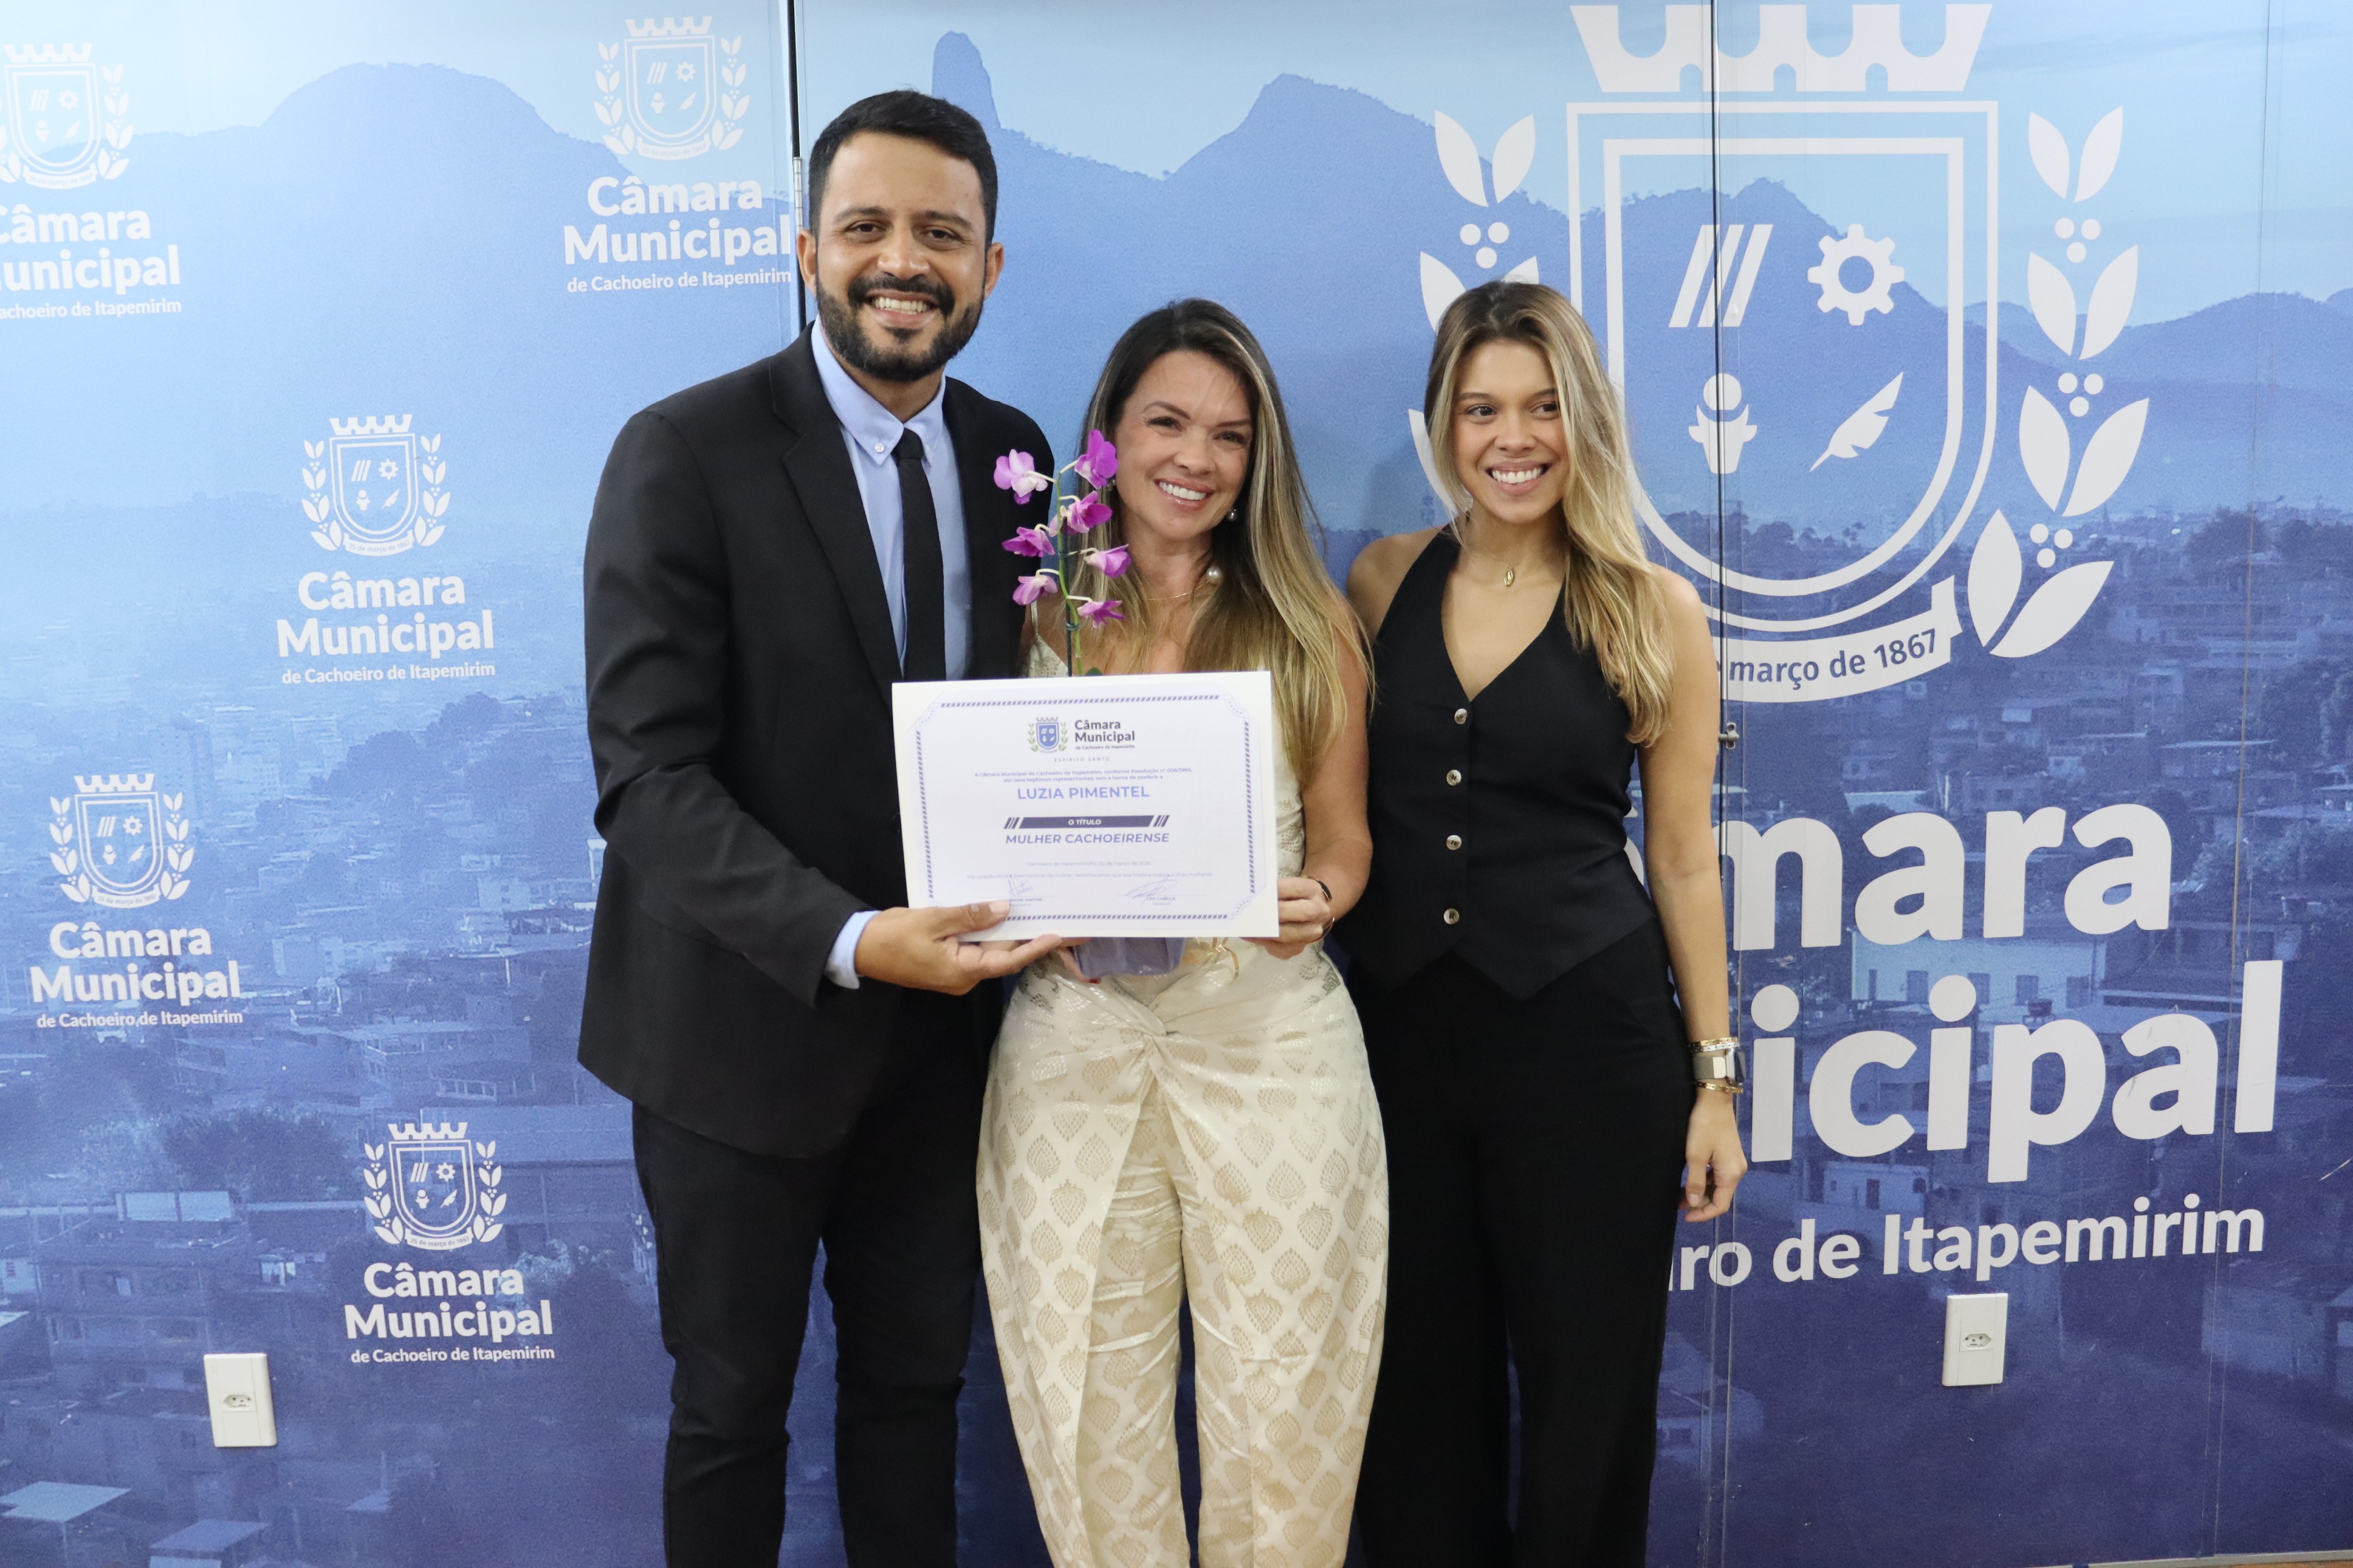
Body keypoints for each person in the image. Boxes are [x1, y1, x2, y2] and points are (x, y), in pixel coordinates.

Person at [579, 90, 1063, 1567]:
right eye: (866, 227)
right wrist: (851, 939)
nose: (902, 261)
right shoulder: (683, 451)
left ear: (989, 266)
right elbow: (646, 777)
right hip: (739, 1038)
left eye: (941, 233)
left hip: (946, 1050)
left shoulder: (1017, 456)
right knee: (730, 1413)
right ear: (806, 251)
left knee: (915, 1398)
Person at [1340, 279, 1745, 1566]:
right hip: (1401, 1055)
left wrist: (1715, 1082)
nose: (1511, 438)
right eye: (1480, 409)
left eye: (1541, 406)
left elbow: (1680, 859)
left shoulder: (1652, 608)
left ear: (1585, 420)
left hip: (1591, 1053)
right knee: (1416, 1398)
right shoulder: (1382, 580)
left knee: (1589, 1403)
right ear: (1442, 426)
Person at [977, 299, 1387, 1568]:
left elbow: (1345, 839)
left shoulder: (1305, 623)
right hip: (1074, 1052)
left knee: (1285, 1421)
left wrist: (1322, 898)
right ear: (1108, 434)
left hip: (1268, 1048)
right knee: (1086, 1411)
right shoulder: (1036, 612)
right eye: (1167, 423)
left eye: (1229, 436)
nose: (1196, 459)